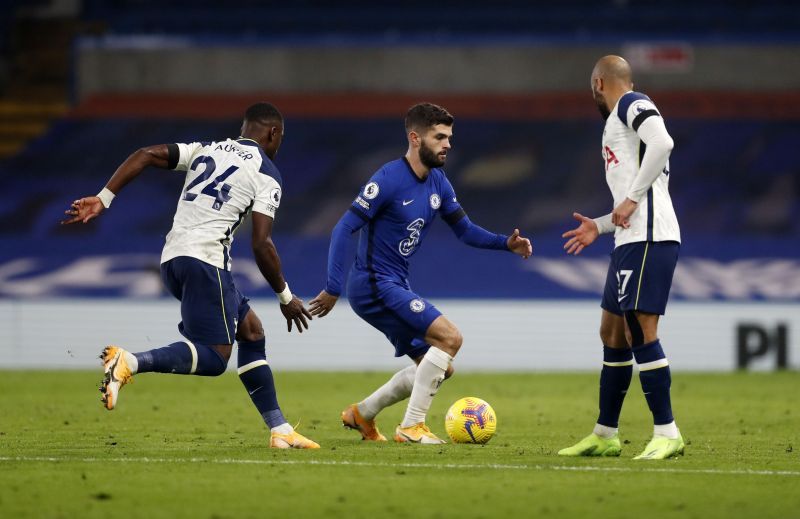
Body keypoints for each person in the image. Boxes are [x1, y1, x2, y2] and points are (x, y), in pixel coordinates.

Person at [62, 103, 319, 449]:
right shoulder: (266, 172)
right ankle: (129, 361)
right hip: (205, 262)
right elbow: (262, 243)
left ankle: (280, 429)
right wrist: (285, 297)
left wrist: (104, 198)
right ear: (273, 133)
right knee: (215, 358)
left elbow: (145, 154)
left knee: (252, 330)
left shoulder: (205, 149)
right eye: (280, 138)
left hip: (173, 260)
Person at [309, 102, 532, 444]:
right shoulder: (388, 179)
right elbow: (343, 228)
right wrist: (333, 286)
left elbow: (466, 230)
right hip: (373, 284)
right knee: (450, 338)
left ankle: (362, 414)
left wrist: (507, 244)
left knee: (440, 366)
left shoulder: (439, 183)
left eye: (449, 137)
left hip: (394, 283)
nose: (448, 144)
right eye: (440, 137)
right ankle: (411, 427)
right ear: (415, 138)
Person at [559, 56, 683, 460]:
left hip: (650, 237)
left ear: (598, 82)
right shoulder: (616, 121)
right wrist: (600, 224)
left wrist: (629, 200)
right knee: (612, 333)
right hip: (628, 238)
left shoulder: (631, 102)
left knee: (639, 331)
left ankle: (667, 432)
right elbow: (632, 198)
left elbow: (664, 142)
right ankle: (605, 434)